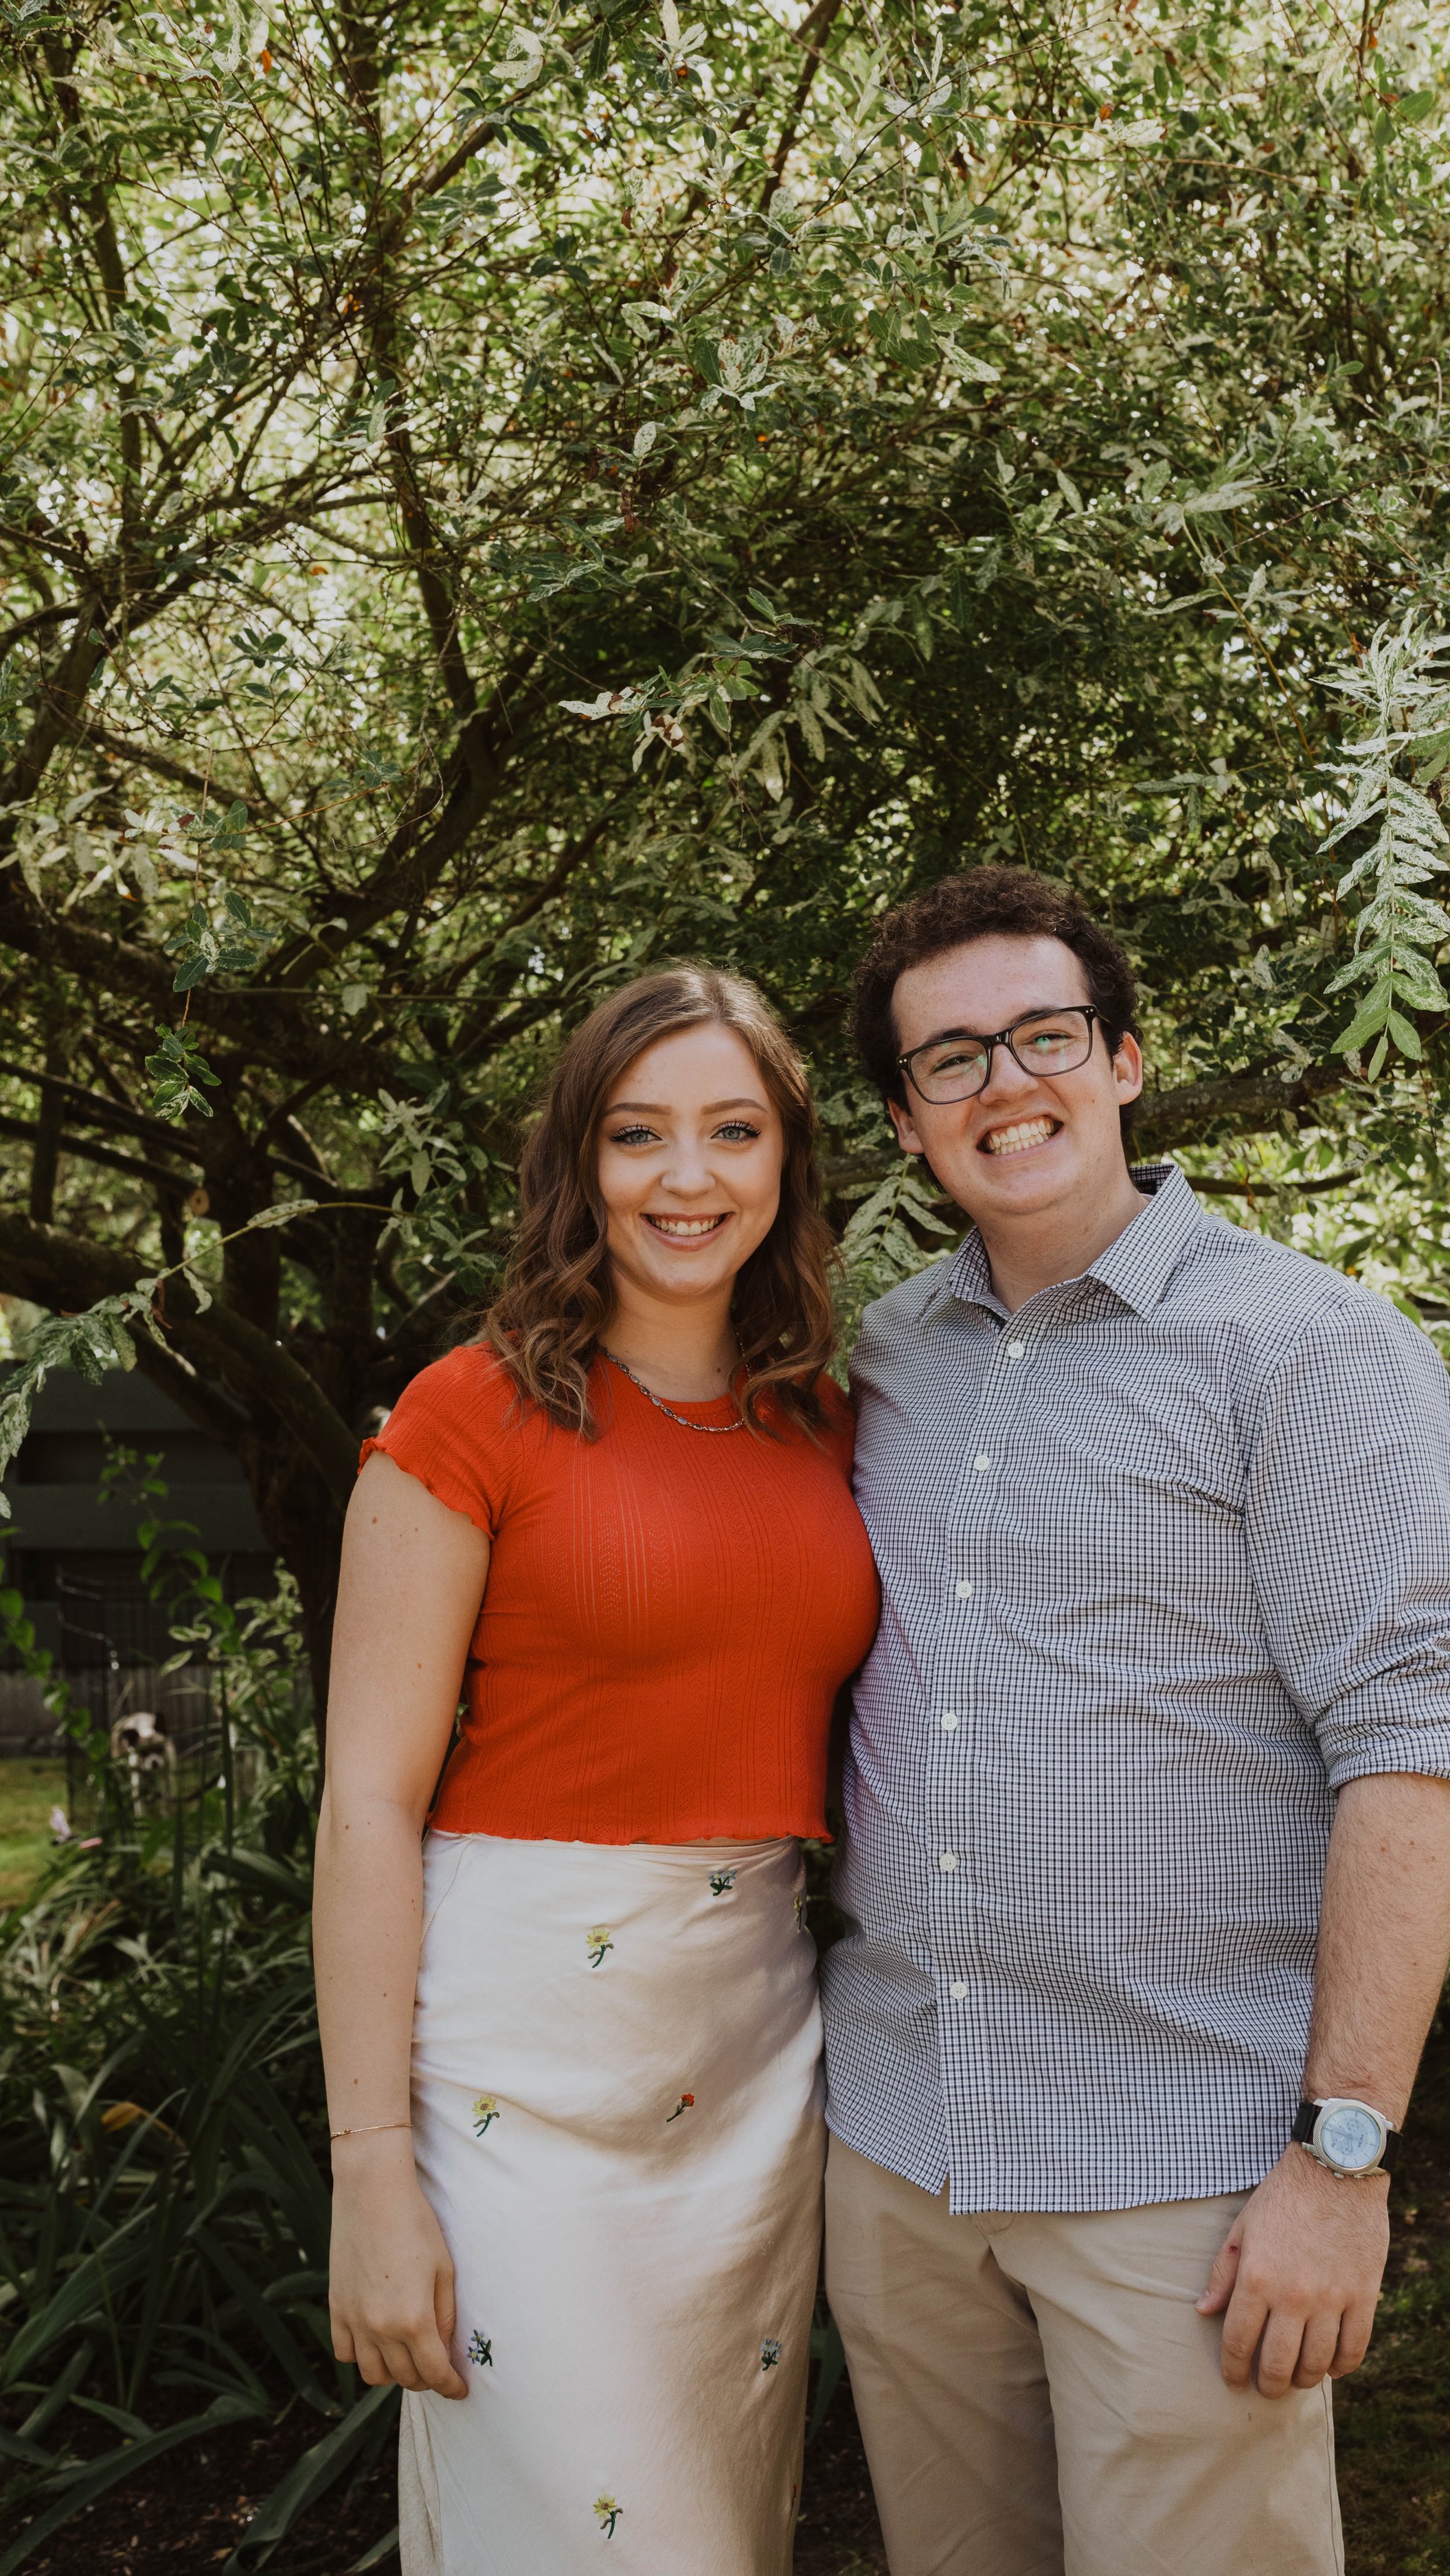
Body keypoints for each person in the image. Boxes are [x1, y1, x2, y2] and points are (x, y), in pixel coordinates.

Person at [822, 866, 1450, 2576]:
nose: (1004, 1085)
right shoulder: (880, 1360)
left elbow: (1408, 1750)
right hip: (902, 2140)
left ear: (1121, 1060)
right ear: (904, 1123)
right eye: (950, 1060)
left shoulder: (1306, 1351)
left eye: (1042, 1035)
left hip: (1180, 2173)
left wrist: (1340, 2163)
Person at [313, 966, 880, 2576]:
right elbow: (366, 1810)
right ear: (579, 1161)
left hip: (757, 2061)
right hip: (518, 2085)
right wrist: (368, 2177)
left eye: (730, 1131)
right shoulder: (465, 1417)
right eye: (639, 1136)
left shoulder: (824, 1417)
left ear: (785, 1160)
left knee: (711, 2529)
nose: (686, 1179)